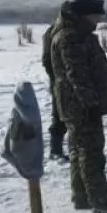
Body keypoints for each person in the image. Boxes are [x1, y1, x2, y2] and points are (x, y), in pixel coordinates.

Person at [49, 0, 107, 213]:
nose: (99, 20)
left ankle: (81, 196)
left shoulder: (78, 34)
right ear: (84, 15)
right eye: (96, 16)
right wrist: (90, 104)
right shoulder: (71, 38)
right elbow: (77, 75)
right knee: (91, 153)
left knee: (79, 150)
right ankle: (100, 200)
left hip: (78, 104)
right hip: (80, 106)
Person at [41, 9, 68, 162]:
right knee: (59, 115)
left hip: (59, 80)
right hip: (59, 81)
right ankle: (55, 149)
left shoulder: (55, 32)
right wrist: (57, 76)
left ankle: (60, 149)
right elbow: (47, 60)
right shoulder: (54, 33)